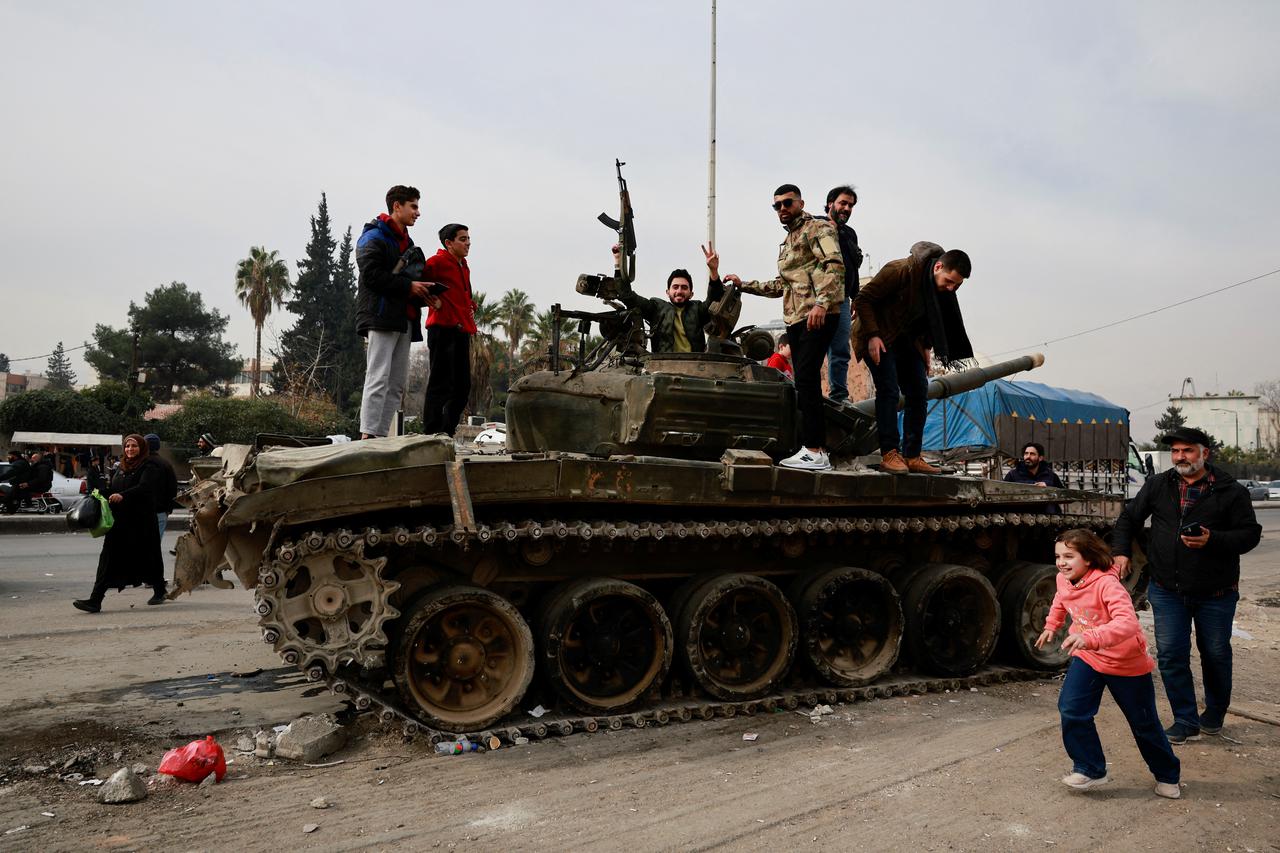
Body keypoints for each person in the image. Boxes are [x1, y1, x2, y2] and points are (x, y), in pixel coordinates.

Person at [1111, 427, 1261, 743]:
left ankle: (1215, 713)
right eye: (1177, 451)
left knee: (1216, 653)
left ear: (1204, 453)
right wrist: (1121, 552)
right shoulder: (1158, 485)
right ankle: (1185, 719)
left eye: (1188, 451)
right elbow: (1128, 519)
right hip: (1167, 590)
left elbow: (1250, 535)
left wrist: (1213, 539)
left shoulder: (1230, 491)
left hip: (1216, 592)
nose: (1181, 457)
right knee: (1170, 655)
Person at [1036, 528, 1181, 798]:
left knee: (1143, 723)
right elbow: (1061, 598)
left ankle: (1167, 774)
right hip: (1089, 657)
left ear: (1088, 558)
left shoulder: (1107, 584)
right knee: (1071, 709)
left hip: (1125, 661)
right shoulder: (1062, 579)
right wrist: (1052, 625)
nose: (1061, 562)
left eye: (1069, 556)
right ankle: (1090, 769)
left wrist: (1090, 637)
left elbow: (1127, 623)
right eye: (1058, 556)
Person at [720, 184, 846, 471]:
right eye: (776, 206)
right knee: (804, 380)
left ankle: (815, 450)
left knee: (807, 379)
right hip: (797, 318)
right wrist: (745, 285)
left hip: (818, 314)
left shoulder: (818, 229)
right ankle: (812, 448)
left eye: (787, 203)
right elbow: (781, 285)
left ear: (800, 202)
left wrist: (822, 304)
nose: (782, 209)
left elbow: (835, 266)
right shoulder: (789, 241)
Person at [852, 241, 973, 475]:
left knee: (919, 391)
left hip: (907, 340)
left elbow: (928, 321)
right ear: (938, 267)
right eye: (949, 281)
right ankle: (889, 453)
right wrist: (873, 335)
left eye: (956, 285)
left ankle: (912, 455)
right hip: (876, 334)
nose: (950, 289)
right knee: (888, 390)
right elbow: (863, 299)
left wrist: (925, 348)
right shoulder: (900, 271)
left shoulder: (939, 289)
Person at [355, 185, 437, 439]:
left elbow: (405, 283)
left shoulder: (407, 242)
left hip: (405, 319)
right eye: (413, 206)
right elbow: (371, 275)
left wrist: (424, 293)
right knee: (378, 376)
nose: (418, 213)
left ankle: (379, 435)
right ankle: (367, 436)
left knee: (397, 383)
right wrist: (408, 285)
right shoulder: (373, 236)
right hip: (381, 317)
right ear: (397, 206)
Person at [73, 434, 167, 612]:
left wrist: (123, 495)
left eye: (134, 446)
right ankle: (95, 600)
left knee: (150, 557)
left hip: (142, 522)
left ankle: (159, 590)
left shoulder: (150, 466)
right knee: (107, 558)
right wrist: (100, 492)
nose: (130, 450)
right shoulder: (122, 467)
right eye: (127, 446)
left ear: (142, 448)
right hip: (120, 521)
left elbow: (145, 487)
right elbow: (116, 488)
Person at [422, 224, 477, 436]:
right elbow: (417, 282)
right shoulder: (436, 262)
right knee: (440, 384)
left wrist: (470, 304)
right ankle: (431, 432)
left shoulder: (464, 265)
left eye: (468, 238)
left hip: (462, 330)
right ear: (449, 243)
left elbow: (461, 293)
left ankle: (446, 431)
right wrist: (431, 299)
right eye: (462, 239)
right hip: (442, 328)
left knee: (463, 388)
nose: (468, 243)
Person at [620, 249, 726, 354]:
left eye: (684, 288)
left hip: (694, 367)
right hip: (663, 366)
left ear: (691, 294)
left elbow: (714, 299)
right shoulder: (656, 308)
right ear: (667, 292)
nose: (679, 291)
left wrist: (713, 271)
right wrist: (618, 263)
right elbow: (629, 297)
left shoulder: (697, 309)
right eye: (675, 287)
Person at [818, 185, 864, 404]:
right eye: (843, 203)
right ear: (830, 203)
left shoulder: (849, 233)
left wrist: (855, 297)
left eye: (850, 205)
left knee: (840, 350)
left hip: (842, 299)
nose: (846, 208)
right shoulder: (816, 225)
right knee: (813, 348)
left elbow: (852, 268)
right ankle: (804, 392)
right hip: (816, 298)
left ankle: (839, 395)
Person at [144, 434, 179, 541]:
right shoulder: (166, 464)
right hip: (160, 512)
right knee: (155, 546)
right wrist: (168, 509)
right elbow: (172, 488)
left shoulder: (140, 463)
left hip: (142, 511)